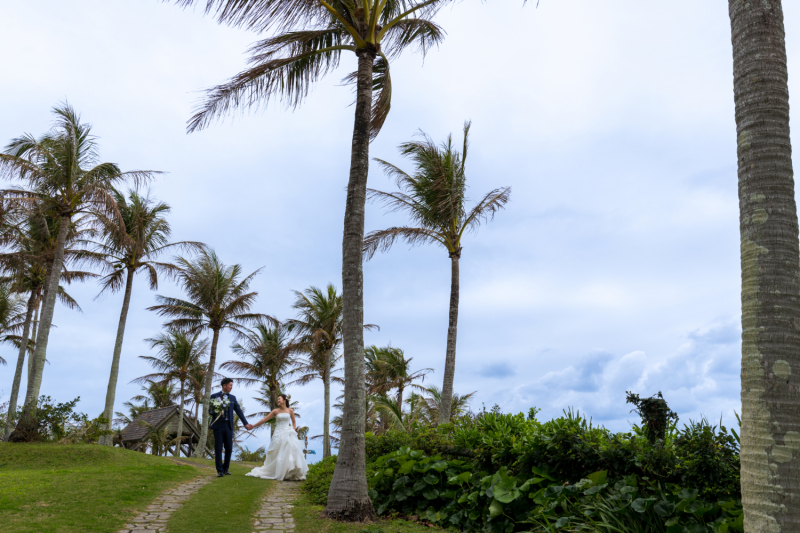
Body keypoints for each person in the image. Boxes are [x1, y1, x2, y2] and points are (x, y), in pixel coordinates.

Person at [246, 394, 308, 481]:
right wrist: (253, 426)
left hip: (288, 432)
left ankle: (288, 472)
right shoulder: (275, 411)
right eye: (277, 399)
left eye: (279, 399)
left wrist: (293, 431)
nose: (278, 401)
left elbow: (294, 422)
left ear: (284, 400)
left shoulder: (290, 411)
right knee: (276, 452)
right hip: (278, 433)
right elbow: (264, 420)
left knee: (289, 452)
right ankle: (277, 471)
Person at [209, 377, 253, 477]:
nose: (231, 387)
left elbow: (239, 411)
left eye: (232, 385)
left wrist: (245, 423)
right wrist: (217, 412)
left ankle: (226, 468)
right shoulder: (214, 396)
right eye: (230, 385)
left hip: (229, 426)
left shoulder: (232, 398)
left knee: (229, 448)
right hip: (218, 426)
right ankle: (219, 470)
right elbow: (210, 411)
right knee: (218, 448)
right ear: (224, 386)